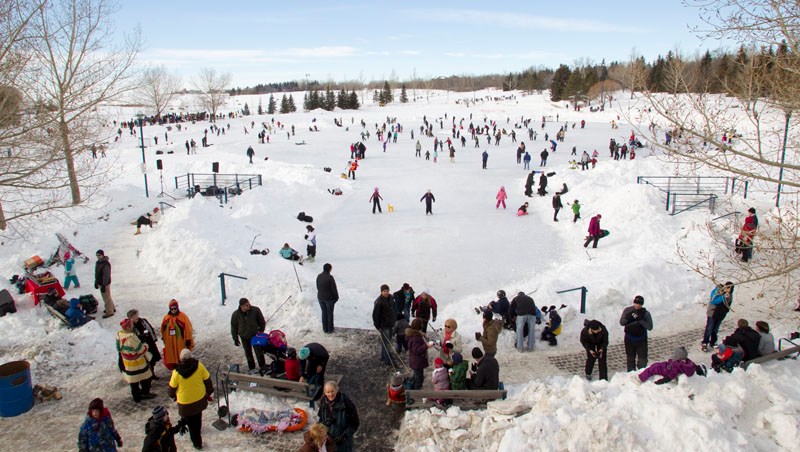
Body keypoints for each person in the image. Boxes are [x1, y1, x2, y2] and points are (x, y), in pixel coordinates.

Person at [168, 349, 212, 450]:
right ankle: (197, 436)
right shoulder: (199, 366)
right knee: (197, 417)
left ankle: (196, 442)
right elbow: (207, 378)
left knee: (191, 422)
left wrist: (173, 396)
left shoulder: (176, 372)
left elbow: (172, 388)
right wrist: (209, 391)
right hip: (199, 399)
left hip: (185, 404)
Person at [116, 318, 156, 402]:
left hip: (127, 363)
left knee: (133, 382)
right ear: (128, 327)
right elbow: (141, 349)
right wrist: (145, 345)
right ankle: (145, 393)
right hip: (137, 363)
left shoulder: (119, 335)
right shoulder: (131, 338)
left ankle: (136, 397)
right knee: (146, 377)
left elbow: (118, 348)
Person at [318, 381, 359, 452]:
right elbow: (321, 419)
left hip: (344, 443)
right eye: (328, 392)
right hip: (329, 441)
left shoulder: (346, 403)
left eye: (332, 391)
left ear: (337, 390)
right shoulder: (323, 402)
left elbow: (354, 423)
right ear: (324, 392)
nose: (330, 394)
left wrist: (344, 436)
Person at [231, 297, 267, 372]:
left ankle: (263, 366)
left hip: (255, 336)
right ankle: (252, 367)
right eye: (246, 305)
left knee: (259, 352)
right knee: (248, 353)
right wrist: (235, 338)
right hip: (244, 336)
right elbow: (234, 327)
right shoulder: (236, 314)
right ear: (242, 306)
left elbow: (262, 321)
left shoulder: (255, 310)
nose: (249, 306)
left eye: (249, 304)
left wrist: (260, 331)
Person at [620, 295, 653, 371]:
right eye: (636, 303)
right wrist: (629, 318)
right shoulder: (627, 310)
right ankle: (631, 375)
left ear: (642, 305)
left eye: (640, 304)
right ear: (634, 303)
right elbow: (622, 322)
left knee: (642, 360)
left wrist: (640, 320)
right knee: (630, 359)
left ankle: (642, 374)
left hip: (641, 340)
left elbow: (650, 327)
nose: (637, 305)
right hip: (629, 339)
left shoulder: (646, 313)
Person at [161, 299, 194, 371]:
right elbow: (163, 329)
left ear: (177, 307)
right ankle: (175, 367)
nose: (173, 310)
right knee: (172, 356)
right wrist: (164, 337)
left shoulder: (183, 316)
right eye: (171, 309)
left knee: (181, 354)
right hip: (170, 342)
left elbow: (188, 328)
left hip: (180, 341)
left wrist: (188, 339)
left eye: (174, 308)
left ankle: (183, 366)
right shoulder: (166, 318)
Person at [701, 282, 734, 352]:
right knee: (709, 328)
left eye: (729, 288)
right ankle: (705, 342)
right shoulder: (717, 291)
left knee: (715, 329)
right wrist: (723, 296)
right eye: (727, 287)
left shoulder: (729, 296)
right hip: (712, 313)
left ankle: (713, 342)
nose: (727, 289)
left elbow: (728, 304)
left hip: (720, 315)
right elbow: (714, 301)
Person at [127, 309, 161, 377]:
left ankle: (152, 374)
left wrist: (153, 338)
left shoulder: (143, 321)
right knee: (145, 362)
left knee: (152, 360)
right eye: (135, 316)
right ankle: (148, 376)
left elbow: (150, 329)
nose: (137, 317)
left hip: (150, 343)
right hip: (141, 346)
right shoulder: (130, 326)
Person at [372, 284, 396, 366]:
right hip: (384, 325)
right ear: (381, 292)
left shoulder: (391, 298)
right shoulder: (379, 302)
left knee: (386, 341)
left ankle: (383, 356)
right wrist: (377, 326)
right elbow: (375, 315)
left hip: (390, 323)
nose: (386, 293)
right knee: (387, 343)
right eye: (384, 291)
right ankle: (388, 360)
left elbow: (393, 309)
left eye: (387, 291)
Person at [406, 318, 431, 390]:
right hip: (417, 361)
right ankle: (415, 393)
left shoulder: (416, 334)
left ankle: (412, 388)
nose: (423, 325)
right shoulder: (416, 338)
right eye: (421, 324)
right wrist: (426, 346)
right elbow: (417, 351)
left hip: (416, 361)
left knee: (416, 376)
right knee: (419, 379)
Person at [316, 263, 339, 334]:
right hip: (329, 299)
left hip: (320, 297)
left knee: (324, 313)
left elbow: (317, 286)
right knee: (329, 314)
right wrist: (336, 297)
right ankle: (330, 329)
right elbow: (334, 289)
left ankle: (325, 329)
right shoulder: (330, 277)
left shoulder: (319, 276)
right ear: (330, 269)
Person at [94, 250, 115, 318]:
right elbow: (96, 273)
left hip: (105, 283)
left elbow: (106, 275)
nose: (98, 257)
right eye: (97, 255)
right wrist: (96, 282)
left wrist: (104, 285)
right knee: (107, 296)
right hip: (100, 282)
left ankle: (109, 311)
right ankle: (112, 308)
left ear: (102, 255)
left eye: (99, 255)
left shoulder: (106, 264)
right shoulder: (98, 263)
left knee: (106, 298)